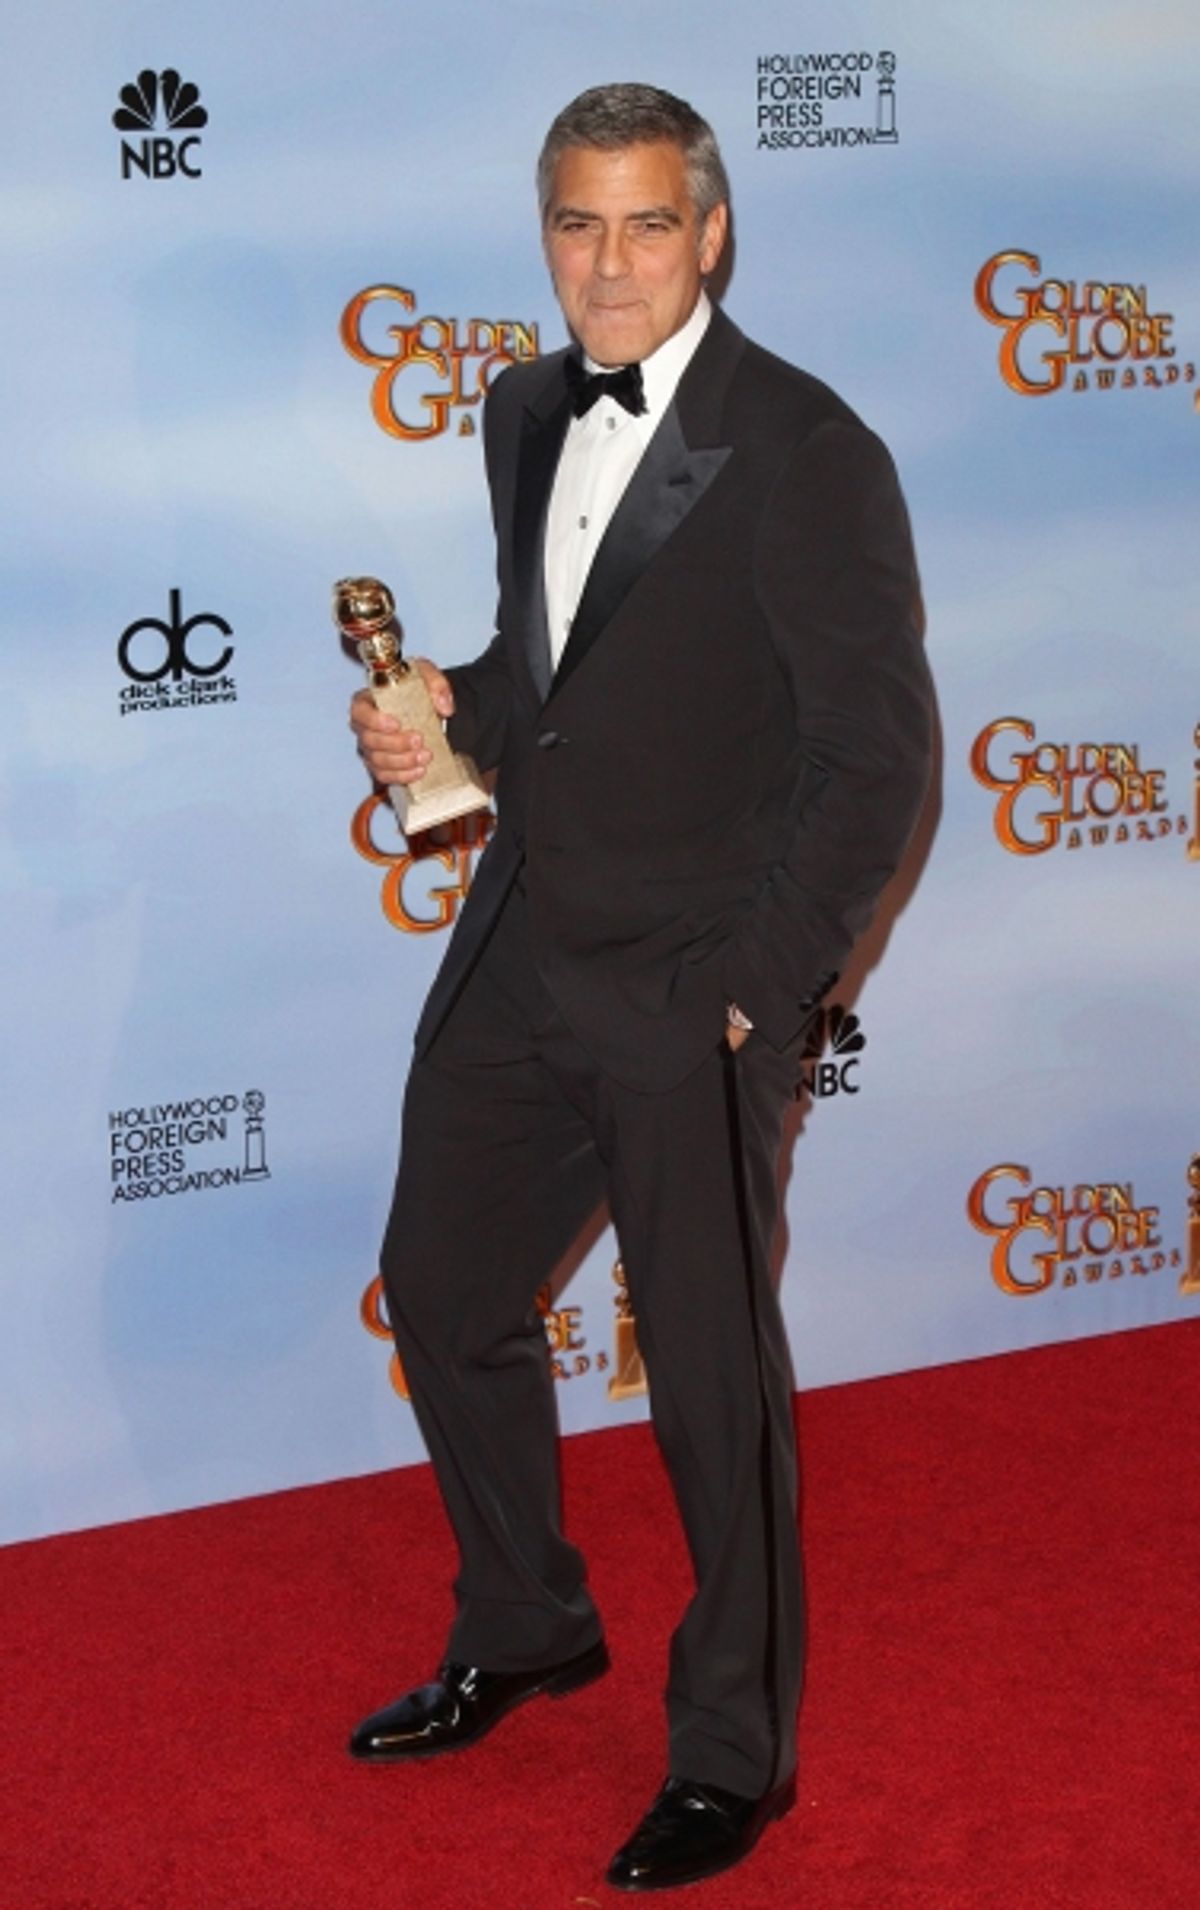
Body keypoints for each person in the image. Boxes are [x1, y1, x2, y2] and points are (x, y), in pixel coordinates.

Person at [347, 82, 932, 1893]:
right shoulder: (527, 408)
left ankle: (734, 1749)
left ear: (716, 231)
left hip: (696, 987)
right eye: (579, 227)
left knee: (706, 1380)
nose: (611, 266)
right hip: (525, 947)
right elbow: (559, 669)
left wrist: (757, 990)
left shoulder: (810, 447)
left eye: (649, 225)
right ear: (547, 235)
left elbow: (880, 760)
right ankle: (527, 1617)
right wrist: (443, 704)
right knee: (441, 1290)